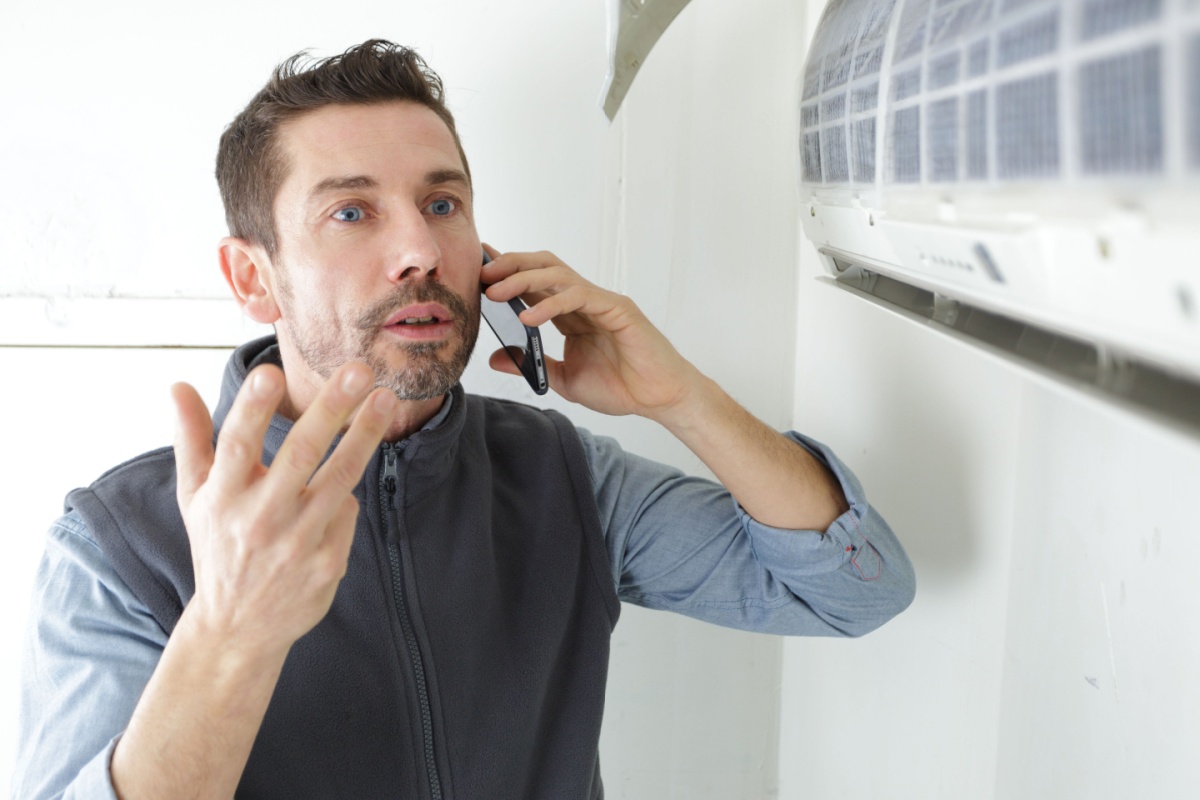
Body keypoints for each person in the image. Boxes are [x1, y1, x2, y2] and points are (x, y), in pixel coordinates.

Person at [13, 39, 915, 800]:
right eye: (352, 211)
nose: (418, 251)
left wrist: (675, 395)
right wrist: (231, 631)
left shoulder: (560, 473)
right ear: (254, 278)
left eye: (441, 205)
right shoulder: (116, 546)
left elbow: (852, 591)